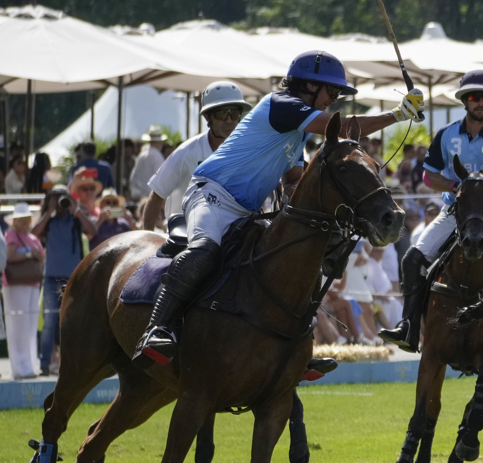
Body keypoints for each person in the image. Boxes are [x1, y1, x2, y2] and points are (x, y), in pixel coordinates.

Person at [131, 50, 424, 367]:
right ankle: (157, 329)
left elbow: (293, 180)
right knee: (205, 251)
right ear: (309, 86)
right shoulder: (281, 105)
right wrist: (398, 114)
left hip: (248, 211)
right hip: (211, 195)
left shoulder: (297, 135)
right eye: (332, 91)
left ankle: (296, 349)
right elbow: (345, 127)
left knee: (292, 260)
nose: (334, 99)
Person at [379, 69, 483, 352]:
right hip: (454, 210)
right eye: (475, 97)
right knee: (412, 260)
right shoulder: (447, 134)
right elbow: (429, 175)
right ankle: (409, 327)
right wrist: (455, 186)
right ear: (465, 101)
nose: (481, 103)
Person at [143, 82, 252, 232]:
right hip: (185, 232)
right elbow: (157, 195)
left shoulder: (249, 152)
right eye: (222, 113)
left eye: (234, 114)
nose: (229, 120)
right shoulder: (185, 152)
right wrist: (148, 234)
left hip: (234, 231)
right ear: (208, 117)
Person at [33, 186, 97, 375]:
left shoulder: (76, 221)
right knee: (50, 322)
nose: (61, 201)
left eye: (63, 198)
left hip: (73, 278)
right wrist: (49, 211)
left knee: (74, 321)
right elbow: (33, 233)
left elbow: (92, 230)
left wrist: (75, 208)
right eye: (57, 198)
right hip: (52, 278)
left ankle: (73, 363)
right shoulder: (49, 223)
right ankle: (45, 364)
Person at [3, 203, 43, 379]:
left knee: (30, 326)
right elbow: (9, 256)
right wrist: (29, 255)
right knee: (17, 325)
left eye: (27, 219)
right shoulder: (10, 236)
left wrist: (35, 254)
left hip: (33, 284)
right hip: (15, 284)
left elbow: (41, 257)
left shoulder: (34, 238)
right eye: (21, 219)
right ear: (15, 221)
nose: (25, 222)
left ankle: (30, 365)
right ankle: (20, 368)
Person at [129, 126, 168, 202]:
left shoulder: (141, 156)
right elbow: (162, 180)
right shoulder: (158, 157)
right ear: (160, 142)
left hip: (140, 199)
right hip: (153, 199)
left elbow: (133, 179)